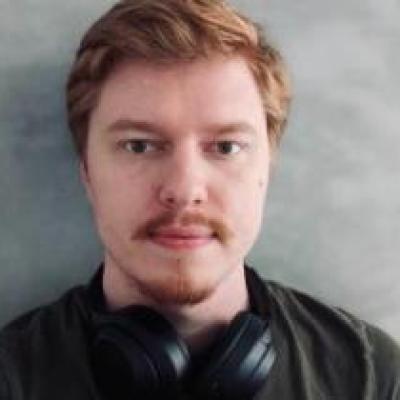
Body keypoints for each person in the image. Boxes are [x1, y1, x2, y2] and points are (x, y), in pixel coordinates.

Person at [0, 0, 399, 399]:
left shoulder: (370, 378)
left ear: (268, 167)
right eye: (139, 145)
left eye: (226, 147)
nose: (185, 189)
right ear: (87, 170)